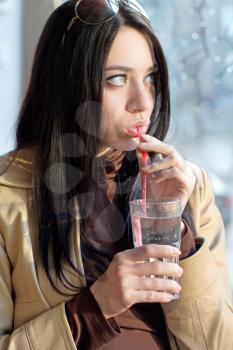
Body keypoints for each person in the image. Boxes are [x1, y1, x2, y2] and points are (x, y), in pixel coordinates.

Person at [0, 0, 232, 349]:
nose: (143, 101)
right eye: (117, 79)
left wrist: (173, 225)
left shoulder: (189, 188)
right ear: (65, 84)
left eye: (150, 78)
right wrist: (94, 308)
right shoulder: (7, 196)